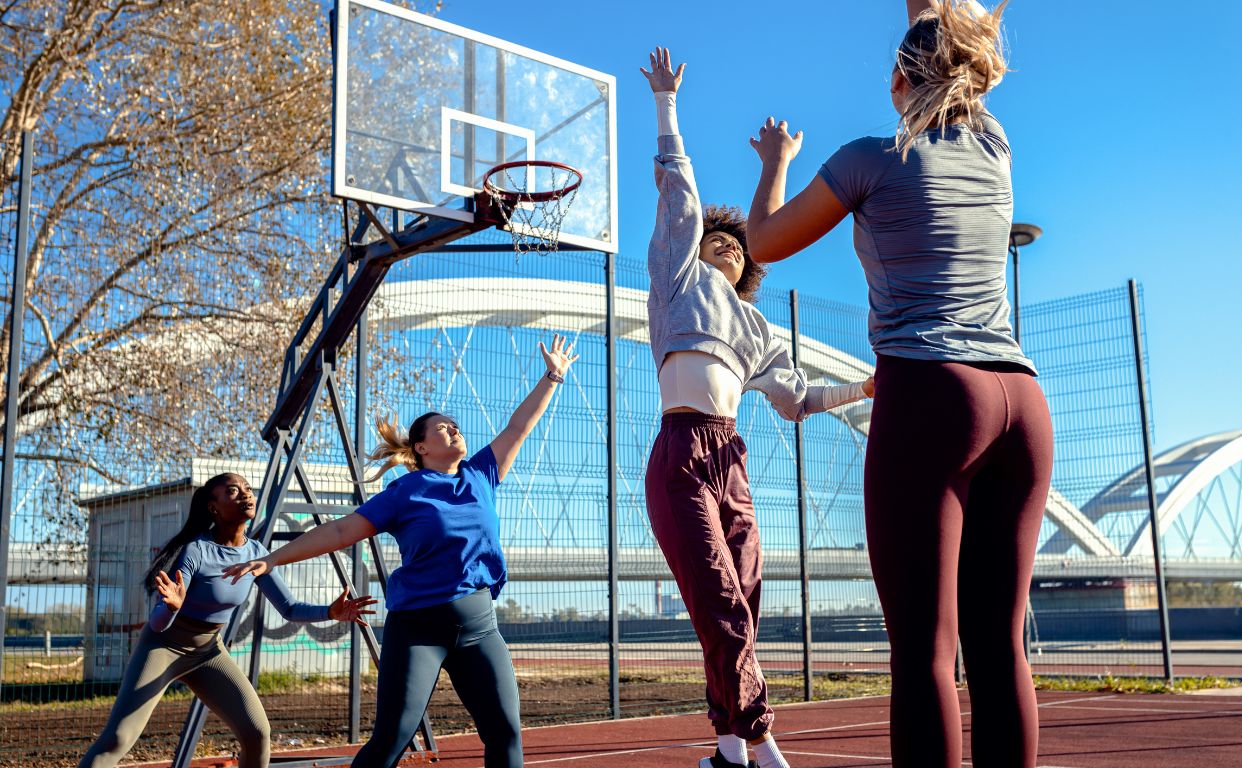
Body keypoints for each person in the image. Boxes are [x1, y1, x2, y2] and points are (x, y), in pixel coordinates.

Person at [742, 2, 1052, 766]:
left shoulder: (868, 160)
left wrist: (775, 162)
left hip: (934, 394)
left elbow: (762, 244)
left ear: (897, 79)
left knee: (925, 652)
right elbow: (942, 26)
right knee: (998, 646)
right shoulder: (994, 144)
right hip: (1022, 399)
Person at [640, 47, 874, 768]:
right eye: (715, 240)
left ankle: (725, 750)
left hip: (729, 457)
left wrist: (863, 391)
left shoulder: (756, 329)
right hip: (679, 454)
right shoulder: (678, 280)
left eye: (735, 249)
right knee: (719, 604)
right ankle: (764, 742)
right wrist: (667, 105)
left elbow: (798, 401)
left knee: (742, 601)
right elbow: (679, 199)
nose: (723, 248)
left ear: (748, 269)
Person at [224, 334, 579, 768]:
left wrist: (553, 376)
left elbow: (519, 426)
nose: (455, 428)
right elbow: (339, 531)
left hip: (481, 628)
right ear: (422, 448)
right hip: (418, 630)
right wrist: (274, 558)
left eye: (456, 423)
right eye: (442, 426)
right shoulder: (405, 492)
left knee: (505, 732)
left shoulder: (481, 474)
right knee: (391, 739)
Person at [78, 473, 376, 768]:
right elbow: (157, 625)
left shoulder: (256, 553)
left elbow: (289, 608)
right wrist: (173, 607)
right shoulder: (196, 550)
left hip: (208, 652)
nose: (246, 495)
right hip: (163, 647)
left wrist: (331, 612)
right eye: (233, 491)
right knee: (118, 739)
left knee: (257, 733)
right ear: (213, 506)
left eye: (247, 489)